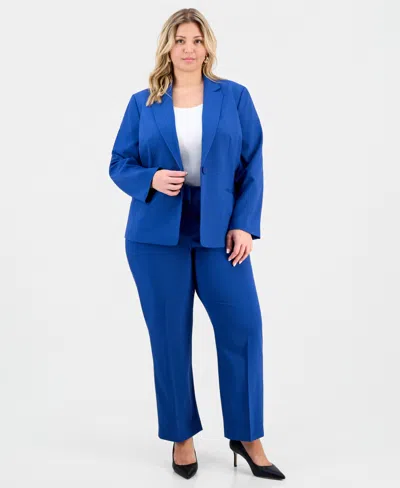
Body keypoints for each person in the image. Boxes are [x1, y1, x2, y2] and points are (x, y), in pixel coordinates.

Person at [109, 7, 285, 481]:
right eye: (180, 40)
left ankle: (247, 436)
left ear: (208, 47)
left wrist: (244, 225)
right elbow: (119, 162)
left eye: (197, 40)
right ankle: (181, 436)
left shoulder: (235, 97)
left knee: (243, 329)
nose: (189, 48)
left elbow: (252, 164)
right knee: (169, 337)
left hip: (220, 230)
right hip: (154, 236)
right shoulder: (142, 103)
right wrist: (150, 178)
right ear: (167, 47)